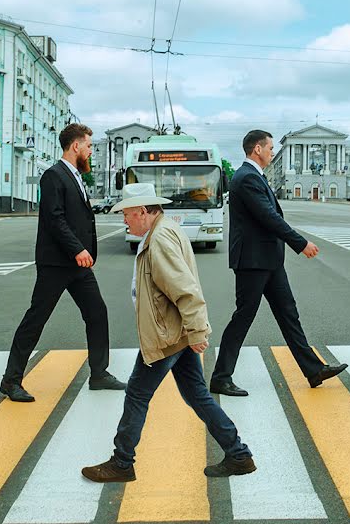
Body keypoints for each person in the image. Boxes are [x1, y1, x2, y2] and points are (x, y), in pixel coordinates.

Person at [82, 183, 254, 482]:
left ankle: (122, 462)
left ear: (143, 211)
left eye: (127, 214)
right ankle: (239, 454)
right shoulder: (164, 230)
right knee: (198, 395)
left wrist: (198, 330)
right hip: (178, 332)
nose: (124, 219)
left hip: (167, 335)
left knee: (136, 394)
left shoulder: (159, 239)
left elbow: (184, 288)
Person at [210, 130, 347, 397]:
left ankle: (313, 370)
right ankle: (220, 377)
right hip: (253, 261)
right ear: (257, 149)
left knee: (288, 314)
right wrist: (301, 243)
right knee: (243, 318)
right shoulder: (246, 177)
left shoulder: (253, 176)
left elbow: (268, 216)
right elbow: (269, 217)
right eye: (270, 148)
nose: (272, 152)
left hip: (268, 261)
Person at [1, 123, 125, 402]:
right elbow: (54, 218)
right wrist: (77, 249)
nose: (91, 151)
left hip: (78, 266)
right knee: (36, 319)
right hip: (57, 264)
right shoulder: (53, 176)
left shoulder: (76, 177)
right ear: (76, 146)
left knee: (97, 312)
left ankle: (99, 373)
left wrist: (83, 252)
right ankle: (11, 381)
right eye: (90, 146)